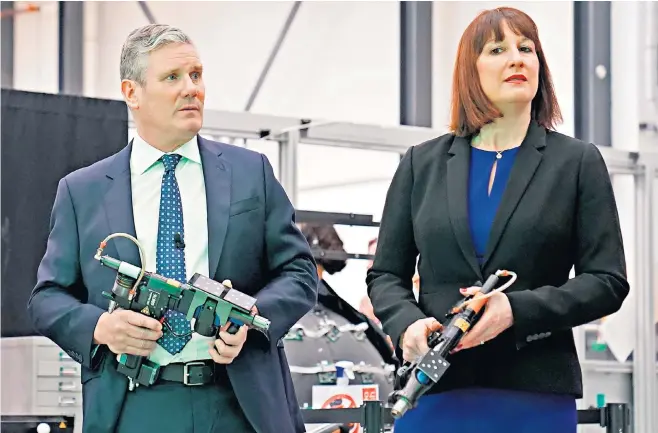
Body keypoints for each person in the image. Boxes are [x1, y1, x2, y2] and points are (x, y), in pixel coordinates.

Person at [27, 24, 318, 433]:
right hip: (134, 405)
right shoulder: (82, 191)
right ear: (132, 93)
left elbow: (300, 273)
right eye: (172, 78)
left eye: (196, 75)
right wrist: (101, 327)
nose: (191, 89)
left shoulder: (251, 173)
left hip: (240, 404)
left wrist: (251, 319)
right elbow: (47, 299)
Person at [366, 7, 629, 433]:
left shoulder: (577, 162)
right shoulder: (422, 163)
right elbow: (385, 276)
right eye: (498, 49)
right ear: (471, 70)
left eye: (527, 49)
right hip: (434, 391)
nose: (517, 59)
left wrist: (515, 309)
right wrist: (406, 325)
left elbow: (607, 280)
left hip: (534, 395)